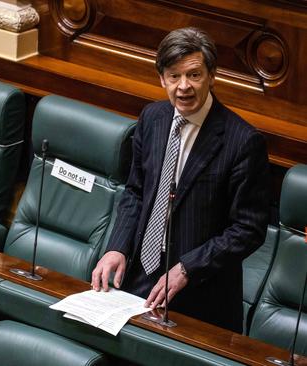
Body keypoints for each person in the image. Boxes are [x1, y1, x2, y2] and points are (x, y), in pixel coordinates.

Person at [91, 27, 269, 333]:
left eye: (194, 75)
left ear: (212, 75)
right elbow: (135, 192)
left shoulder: (242, 141)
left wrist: (188, 268)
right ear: (162, 79)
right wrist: (117, 247)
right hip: (138, 278)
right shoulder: (152, 118)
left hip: (199, 293)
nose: (183, 86)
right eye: (174, 76)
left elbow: (248, 229)